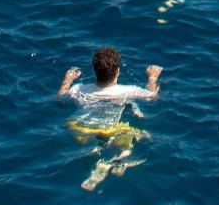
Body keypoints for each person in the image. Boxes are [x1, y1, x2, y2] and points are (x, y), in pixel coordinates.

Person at [57, 47, 163, 191]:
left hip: (78, 127)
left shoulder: (78, 89)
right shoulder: (127, 91)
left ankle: (101, 159)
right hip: (108, 130)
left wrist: (68, 79)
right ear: (118, 71)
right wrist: (152, 77)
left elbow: (60, 98)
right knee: (140, 138)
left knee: (99, 144)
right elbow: (152, 96)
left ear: (95, 70)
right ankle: (112, 162)